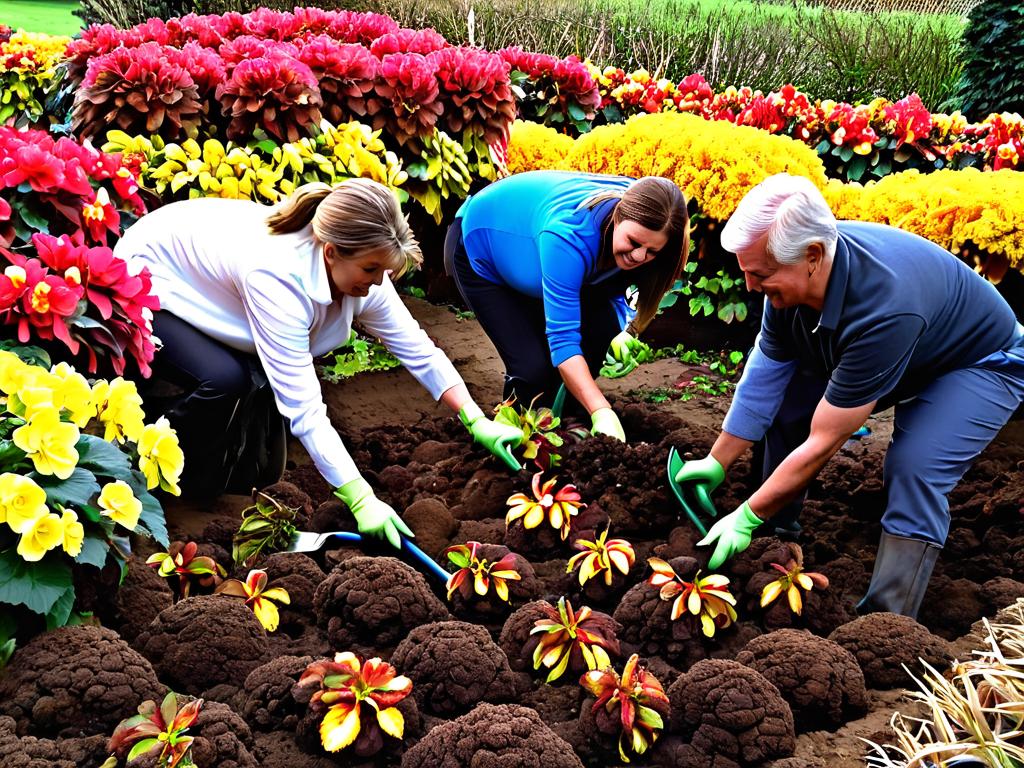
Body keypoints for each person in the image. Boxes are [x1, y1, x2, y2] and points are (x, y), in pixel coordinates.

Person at [671, 173, 1024, 619]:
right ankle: (777, 534)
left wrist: (745, 515)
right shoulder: (791, 273)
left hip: (977, 362)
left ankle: (888, 618)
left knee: (916, 466)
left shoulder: (885, 307)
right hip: (908, 344)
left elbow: (824, 443)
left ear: (813, 257)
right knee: (787, 404)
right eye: (746, 271)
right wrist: (718, 460)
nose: (749, 286)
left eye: (760, 274)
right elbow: (766, 375)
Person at [114, 178, 523, 548]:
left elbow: (417, 348)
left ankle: (210, 470)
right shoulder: (276, 274)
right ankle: (146, 464)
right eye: (370, 269)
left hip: (214, 282)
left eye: (385, 269)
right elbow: (306, 411)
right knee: (225, 379)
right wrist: (361, 496)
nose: (378, 281)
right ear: (331, 252)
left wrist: (475, 418)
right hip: (154, 277)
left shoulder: (365, 269)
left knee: (256, 423)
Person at [444, 170, 689, 442]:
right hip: (482, 250)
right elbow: (563, 342)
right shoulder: (568, 237)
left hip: (537, 259)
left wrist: (621, 328)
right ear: (618, 216)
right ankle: (518, 438)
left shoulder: (653, 210)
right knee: (532, 367)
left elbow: (619, 292)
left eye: (652, 251)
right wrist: (601, 409)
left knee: (601, 331)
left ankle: (570, 421)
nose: (640, 256)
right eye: (633, 243)